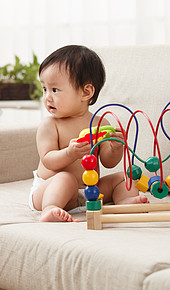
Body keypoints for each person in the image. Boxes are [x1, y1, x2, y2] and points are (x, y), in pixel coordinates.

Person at [29, 45, 148, 222]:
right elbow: (48, 159)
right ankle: (50, 209)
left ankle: (124, 202)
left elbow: (108, 162)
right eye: (44, 88)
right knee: (66, 178)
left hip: (89, 192)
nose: (47, 97)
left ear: (86, 92)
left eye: (55, 90)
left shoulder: (100, 123)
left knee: (125, 176)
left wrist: (115, 148)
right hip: (51, 189)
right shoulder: (50, 125)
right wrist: (69, 153)